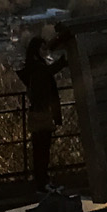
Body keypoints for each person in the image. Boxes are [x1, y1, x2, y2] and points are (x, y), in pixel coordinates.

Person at [19, 29, 68, 190]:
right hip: (43, 112)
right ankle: (43, 181)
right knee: (43, 149)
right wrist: (62, 61)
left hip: (37, 113)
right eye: (42, 49)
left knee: (39, 149)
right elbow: (47, 73)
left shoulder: (31, 68)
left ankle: (41, 180)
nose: (44, 52)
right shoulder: (38, 68)